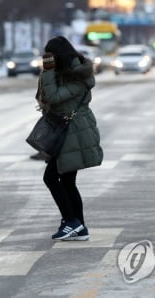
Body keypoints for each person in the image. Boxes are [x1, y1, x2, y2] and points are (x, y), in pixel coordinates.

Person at [37, 36, 103, 241]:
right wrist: (47, 74)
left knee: (52, 178)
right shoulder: (64, 73)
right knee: (67, 181)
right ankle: (78, 225)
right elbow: (44, 98)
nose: (49, 61)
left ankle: (72, 221)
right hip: (68, 131)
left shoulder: (78, 76)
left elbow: (55, 97)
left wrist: (47, 72)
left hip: (73, 132)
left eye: (51, 57)